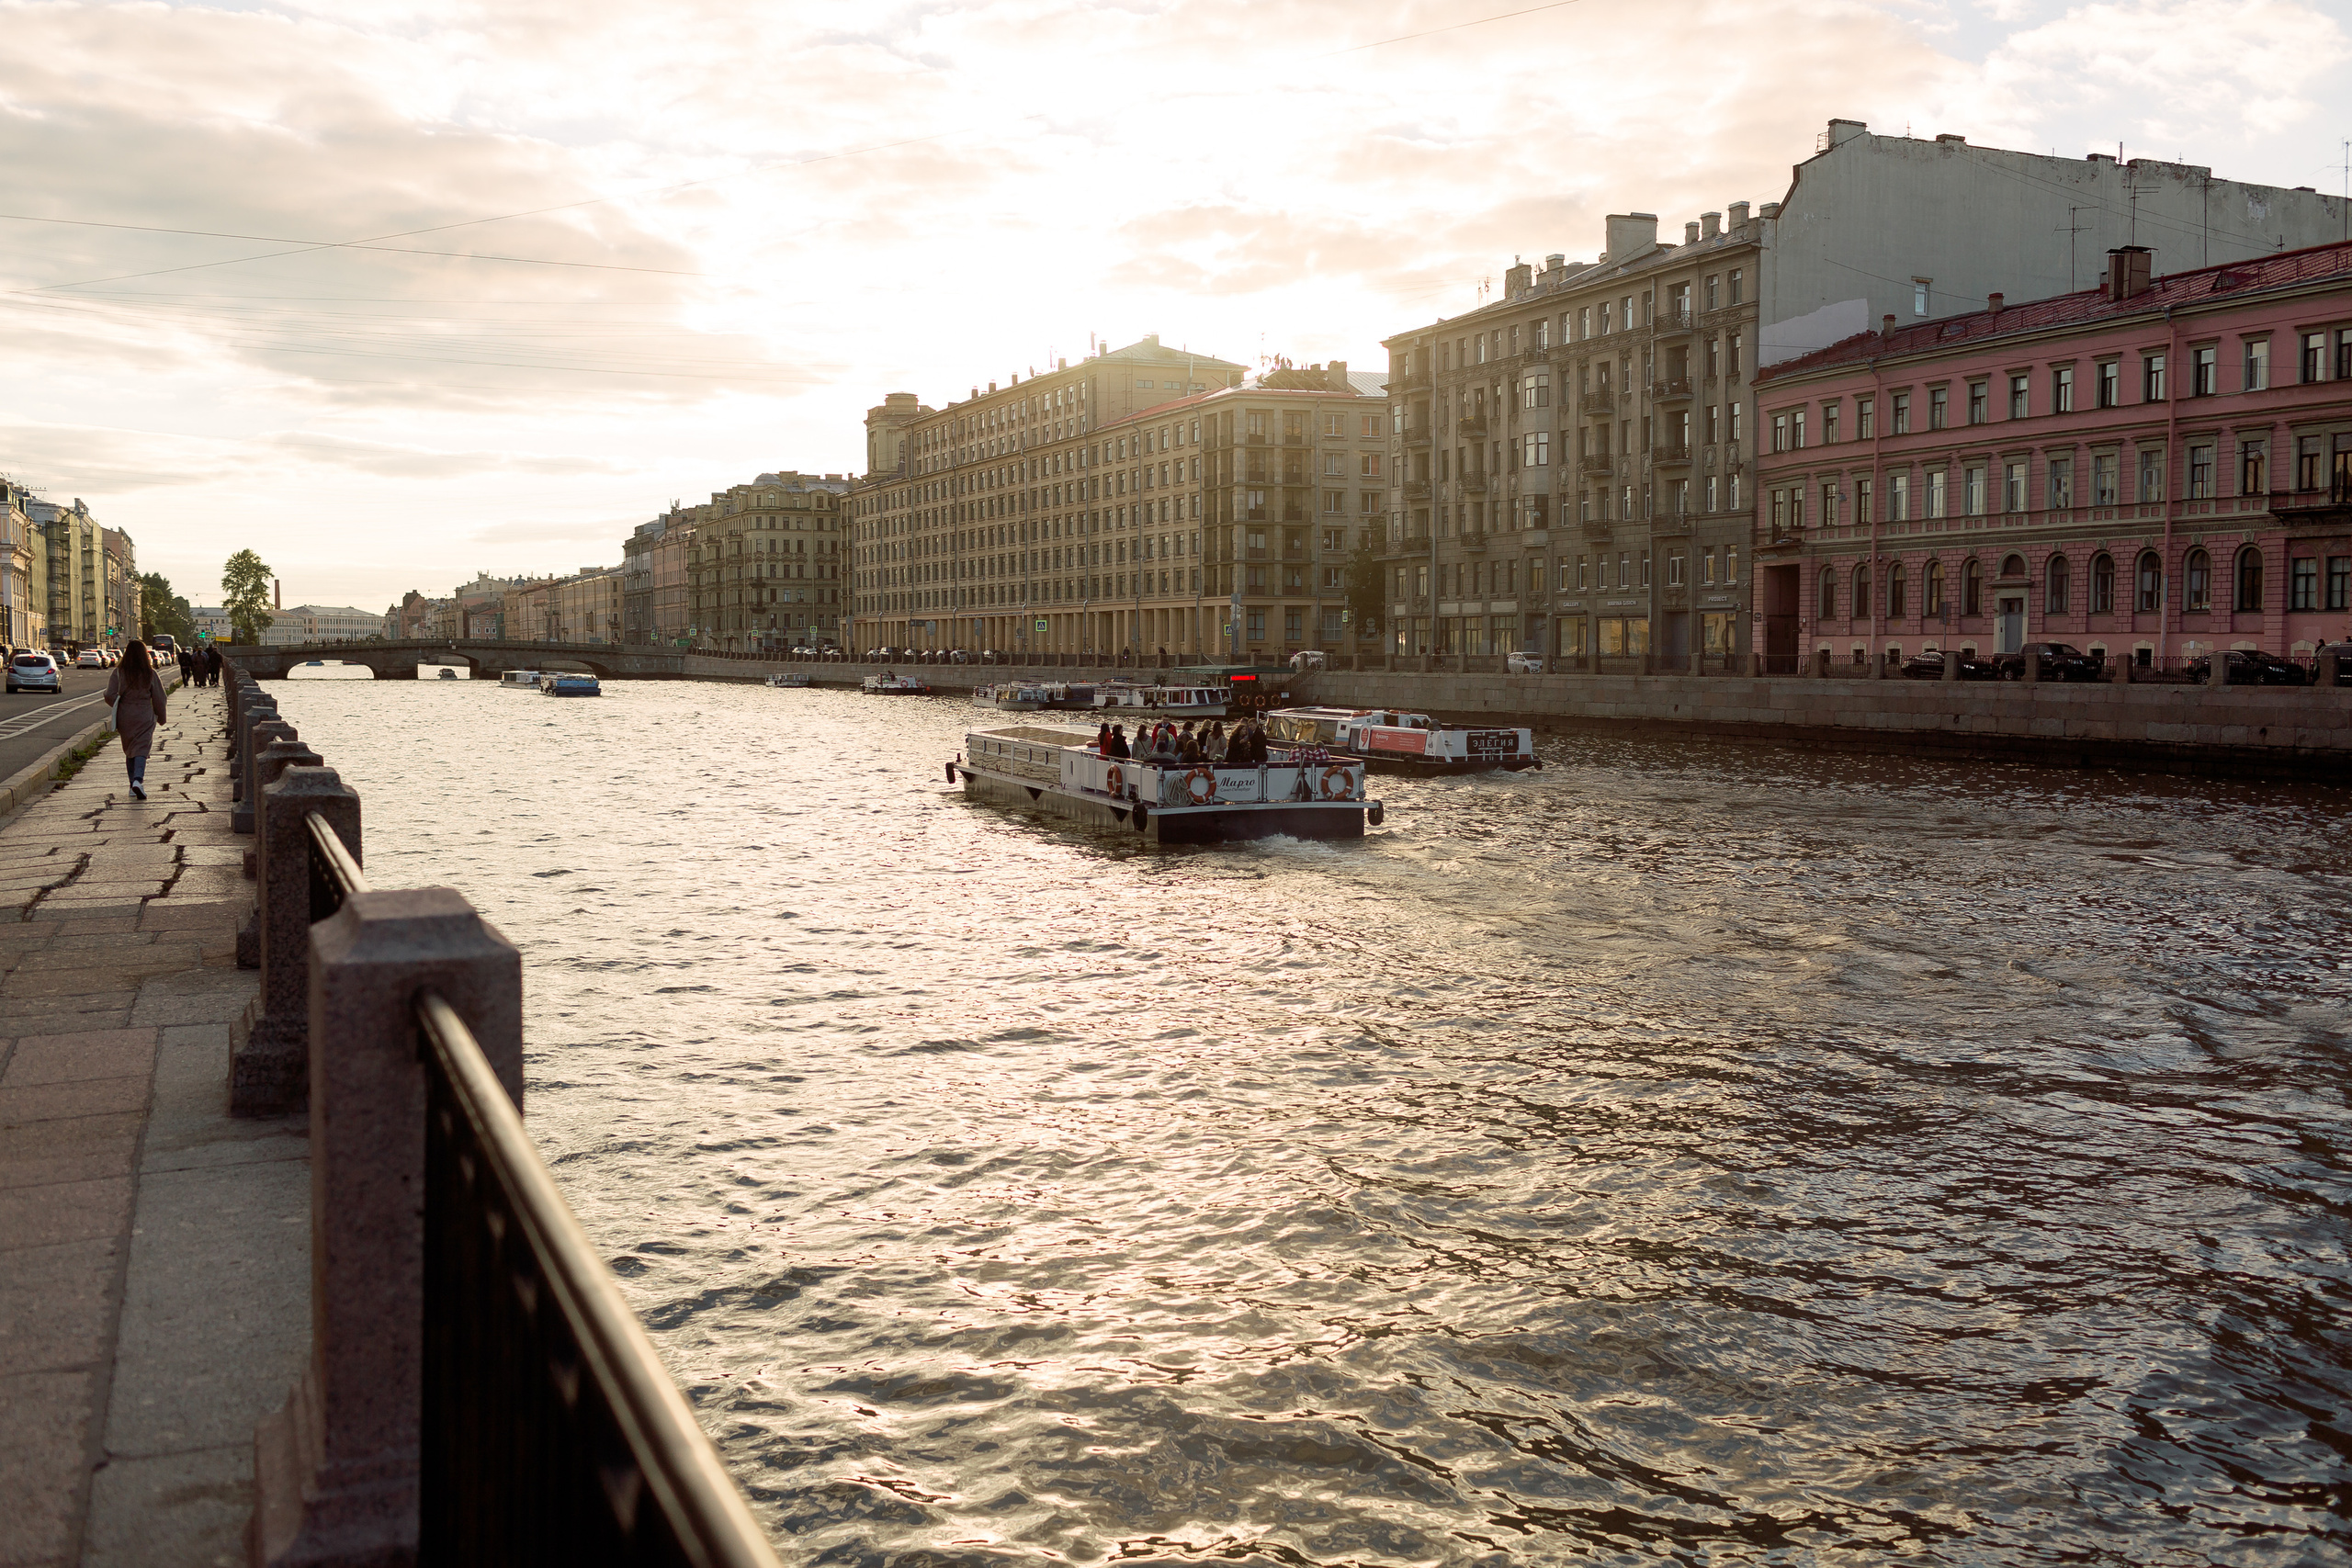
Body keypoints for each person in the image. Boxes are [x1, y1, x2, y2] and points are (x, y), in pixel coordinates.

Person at [105, 641, 169, 802]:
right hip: (144, 715)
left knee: (130, 749)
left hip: (125, 716)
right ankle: (138, 780)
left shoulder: (118, 672)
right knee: (141, 748)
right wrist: (161, 717)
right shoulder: (150, 673)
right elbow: (160, 698)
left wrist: (119, 705)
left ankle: (132, 785)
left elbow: (108, 694)